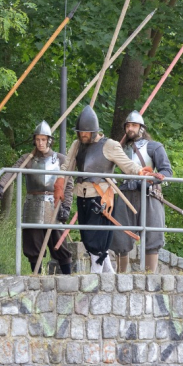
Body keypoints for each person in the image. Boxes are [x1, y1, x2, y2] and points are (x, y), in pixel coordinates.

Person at [59, 105, 159, 273]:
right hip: (82, 195)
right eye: (80, 132)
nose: (83, 135)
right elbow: (66, 166)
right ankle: (109, 275)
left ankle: (95, 274)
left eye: (86, 133)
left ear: (93, 131)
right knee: (87, 236)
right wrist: (60, 182)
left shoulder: (110, 145)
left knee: (97, 237)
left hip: (101, 198)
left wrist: (141, 171)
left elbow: (127, 165)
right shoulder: (77, 145)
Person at [0, 120, 75, 274]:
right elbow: (12, 171)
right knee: (33, 244)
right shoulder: (27, 159)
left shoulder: (60, 160)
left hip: (54, 203)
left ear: (49, 140)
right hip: (33, 204)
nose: (40, 143)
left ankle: (67, 277)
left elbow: (68, 185)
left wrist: (66, 207)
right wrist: (1, 186)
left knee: (58, 243)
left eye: (43, 139)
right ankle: (36, 277)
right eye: (38, 139)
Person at [111, 111, 172, 273]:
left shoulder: (154, 147)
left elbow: (166, 171)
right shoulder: (119, 149)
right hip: (125, 195)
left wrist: (156, 178)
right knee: (121, 238)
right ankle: (121, 277)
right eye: (128, 126)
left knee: (152, 237)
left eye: (134, 125)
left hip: (149, 194)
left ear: (141, 128)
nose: (130, 128)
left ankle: (149, 277)